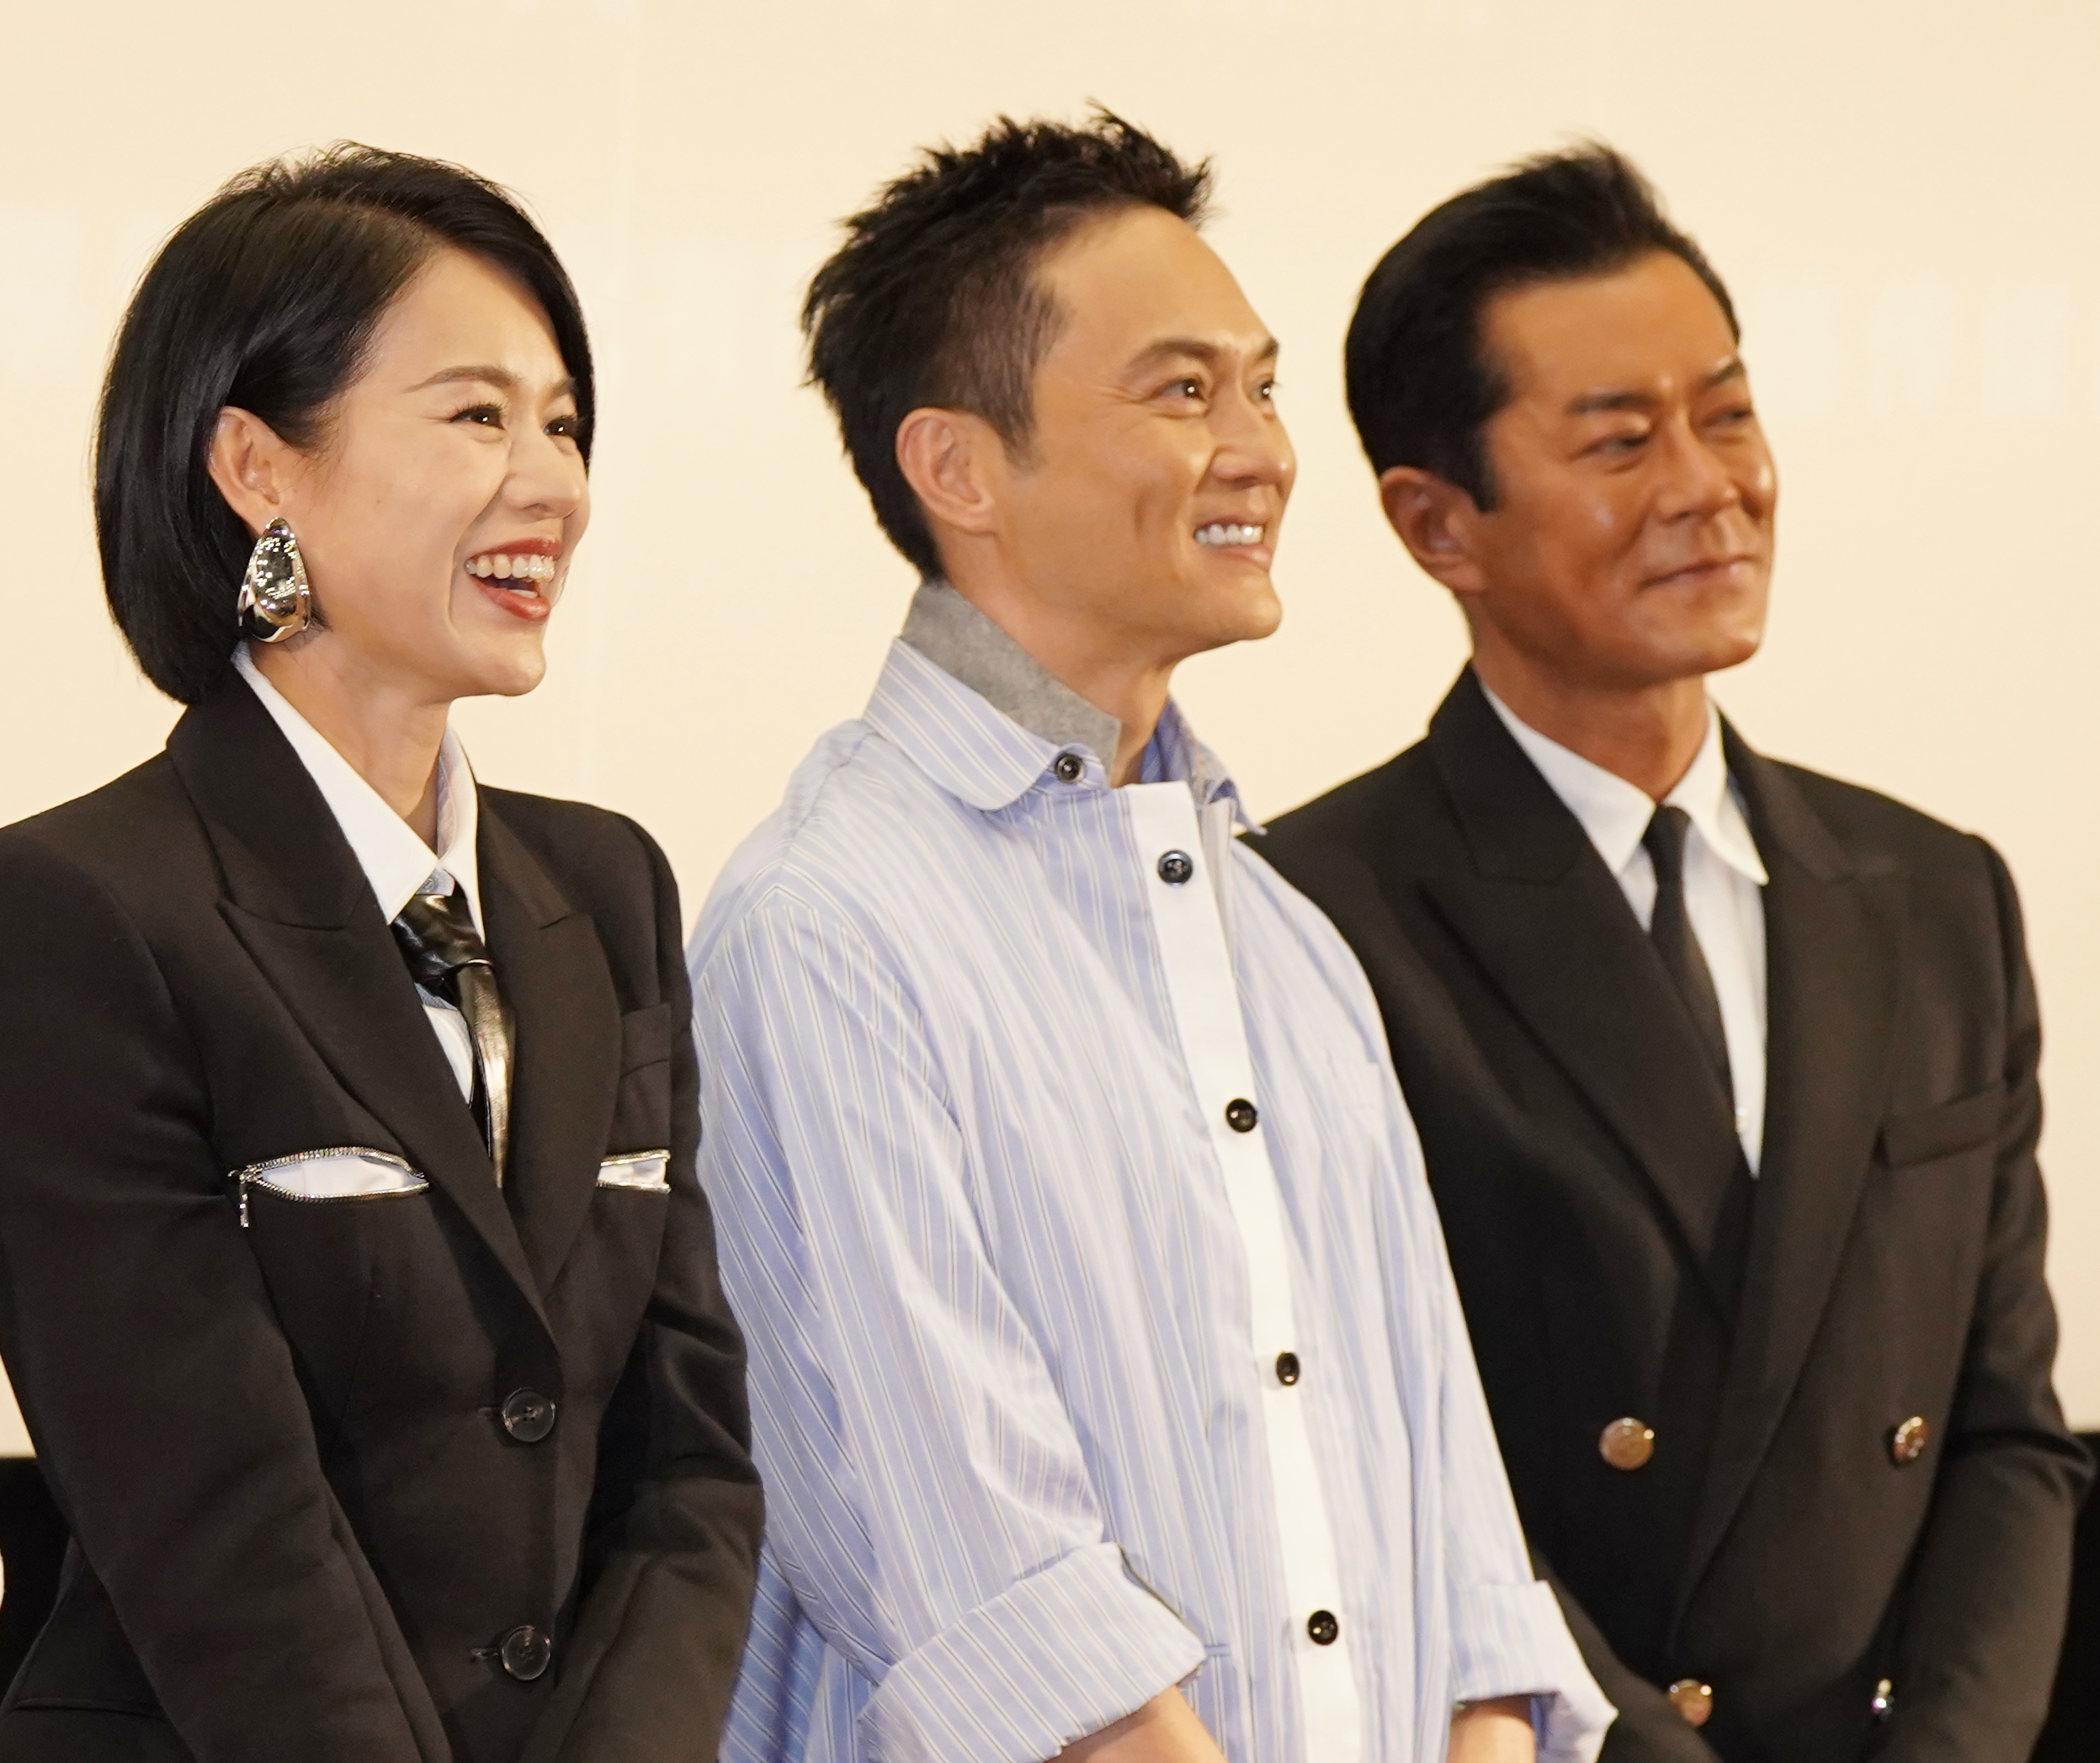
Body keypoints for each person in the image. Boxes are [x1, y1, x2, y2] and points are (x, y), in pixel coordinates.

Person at [696, 114, 1612, 1763]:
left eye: (1261, 387)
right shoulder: (826, 923)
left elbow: (1462, 1542)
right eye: (1185, 392)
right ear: (957, 468)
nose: (1262, 449)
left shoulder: (1288, 937)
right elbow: (977, 1582)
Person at [0, 146, 760, 1763]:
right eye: (477, 416)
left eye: (564, 423)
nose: (553, 485)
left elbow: (689, 1469)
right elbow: (213, 1516)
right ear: (258, 468)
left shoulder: (608, 888)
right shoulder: (67, 911)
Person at [1255, 147, 2087, 1761]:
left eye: (1729, 413)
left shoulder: (1935, 897)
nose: (1711, 485)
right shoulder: (1314, 914)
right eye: (1621, 442)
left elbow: (2005, 1435)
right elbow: (1376, 1455)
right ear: (1437, 524)